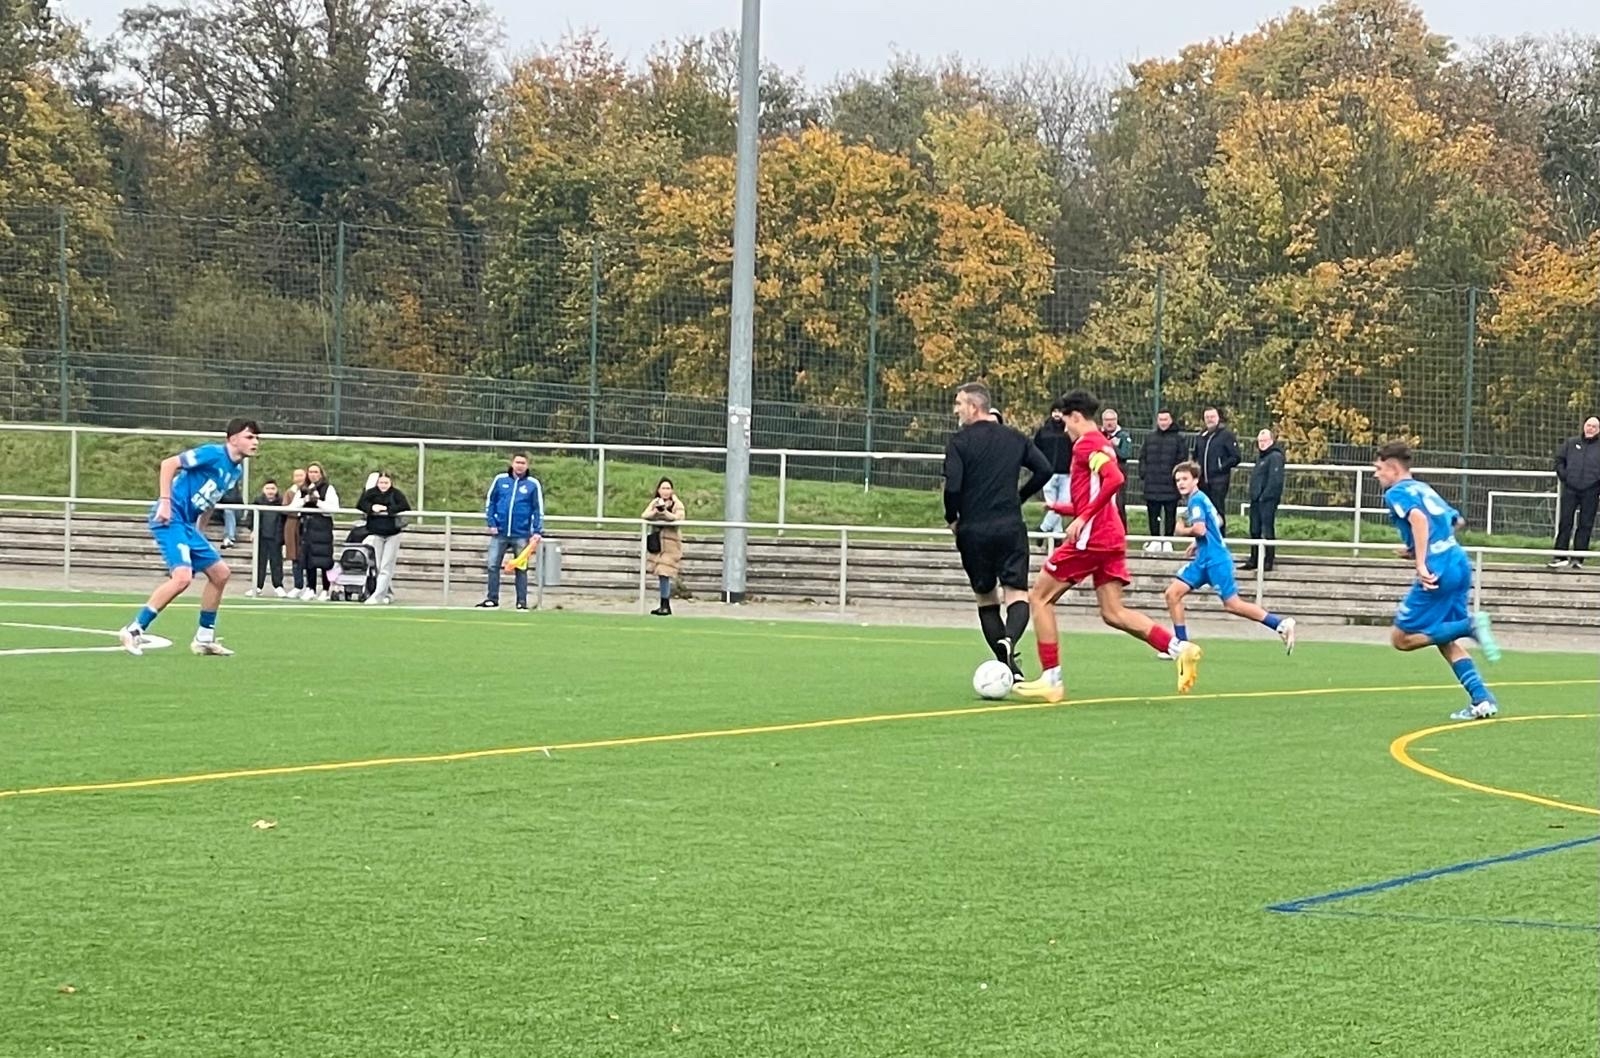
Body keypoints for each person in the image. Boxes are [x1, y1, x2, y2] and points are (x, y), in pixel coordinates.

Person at [1014, 391, 1200, 704]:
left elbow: (1114, 479)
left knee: (1039, 598)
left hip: (1093, 538)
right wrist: (1062, 509)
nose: (1065, 430)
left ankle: (1051, 679)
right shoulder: (1103, 443)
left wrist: (1083, 517)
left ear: (1075, 416)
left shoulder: (1086, 444)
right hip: (1110, 535)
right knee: (1113, 613)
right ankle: (1179, 648)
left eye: (1065, 422)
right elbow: (1099, 490)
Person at [1374, 441, 1501, 721]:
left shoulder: (1397, 492)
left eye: (1379, 468)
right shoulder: (1423, 488)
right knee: (1445, 636)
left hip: (1437, 570)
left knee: (1401, 639)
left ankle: (1470, 625)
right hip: (1458, 561)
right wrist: (1417, 549)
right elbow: (1456, 521)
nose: (1376, 473)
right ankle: (1482, 700)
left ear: (1393, 468)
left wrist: (1421, 561)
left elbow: (1419, 520)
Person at [118, 418, 261, 656]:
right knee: (182, 578)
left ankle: (204, 639)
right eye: (249, 437)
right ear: (233, 439)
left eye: (257, 438)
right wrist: (165, 502)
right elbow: (168, 464)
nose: (255, 442)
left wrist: (199, 530)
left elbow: (209, 501)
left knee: (220, 574)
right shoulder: (212, 453)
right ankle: (133, 630)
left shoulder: (236, 470)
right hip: (170, 517)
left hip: (187, 525)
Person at [945, 382, 1055, 682]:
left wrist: (952, 518)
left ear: (974, 407)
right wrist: (1019, 496)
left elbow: (952, 487)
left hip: (973, 529)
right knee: (1017, 592)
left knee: (986, 597)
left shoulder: (959, 442)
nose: (956, 410)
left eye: (959, 403)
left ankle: (1007, 664)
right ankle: (1010, 642)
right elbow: (1044, 470)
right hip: (1009, 526)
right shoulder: (1014, 437)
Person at [1165, 461, 1296, 653]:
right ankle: (1181, 645)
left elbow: (1200, 529)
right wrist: (1199, 542)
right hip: (1204, 559)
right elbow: (1217, 520)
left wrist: (1182, 531)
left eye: (1185, 479)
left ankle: (1280, 624)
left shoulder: (1196, 501)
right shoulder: (1202, 498)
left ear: (1196, 480)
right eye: (1178, 480)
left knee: (1233, 604)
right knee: (1172, 594)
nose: (1181, 483)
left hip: (1216, 560)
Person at [479, 452, 545, 611]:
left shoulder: (532, 484)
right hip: (500, 532)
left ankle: (521, 602)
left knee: (521, 568)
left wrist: (537, 530)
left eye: (523, 463)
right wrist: (491, 522)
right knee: (492, 565)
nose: (520, 466)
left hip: (521, 533)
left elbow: (537, 508)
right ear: (512, 463)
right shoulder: (500, 480)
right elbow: (491, 502)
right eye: (517, 462)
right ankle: (492, 599)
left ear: (527, 465)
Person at [356, 471, 412, 604]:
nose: (383, 485)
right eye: (381, 482)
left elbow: (404, 506)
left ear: (391, 483)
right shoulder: (371, 493)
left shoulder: (396, 494)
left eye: (386, 482)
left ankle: (378, 596)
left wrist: (387, 509)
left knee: (386, 565)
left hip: (393, 534)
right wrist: (372, 507)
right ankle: (387, 594)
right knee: (379, 566)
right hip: (376, 532)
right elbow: (361, 504)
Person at [1552, 415, 1600, 569]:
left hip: (1591, 491)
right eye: (1588, 425)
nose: (1590, 428)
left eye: (1594, 426)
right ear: (1584, 426)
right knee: (1565, 522)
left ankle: (1578, 559)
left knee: (1585, 525)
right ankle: (1560, 556)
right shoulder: (1571, 443)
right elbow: (1559, 460)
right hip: (1570, 489)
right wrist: (1565, 476)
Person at [289, 463, 339, 600]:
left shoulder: (328, 488)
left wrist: (317, 502)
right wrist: (305, 499)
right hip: (307, 527)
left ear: (321, 474)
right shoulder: (303, 489)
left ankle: (326, 589)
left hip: (322, 527)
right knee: (308, 559)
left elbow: (334, 509)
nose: (313, 474)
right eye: (310, 472)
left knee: (325, 560)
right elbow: (292, 507)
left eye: (316, 472)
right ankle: (310, 588)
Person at [1138, 409, 1185, 550]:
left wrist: (1176, 477)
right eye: (1160, 419)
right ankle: (1155, 540)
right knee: (1153, 514)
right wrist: (1143, 473)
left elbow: (1182, 459)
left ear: (1171, 420)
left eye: (1165, 419)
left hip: (1170, 484)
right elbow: (1142, 457)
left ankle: (1168, 541)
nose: (1163, 422)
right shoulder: (1150, 438)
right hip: (1151, 483)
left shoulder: (1179, 439)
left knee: (1170, 514)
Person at [1191, 407, 1241, 533]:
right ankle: (1205, 537)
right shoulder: (1201, 436)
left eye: (1212, 416)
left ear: (1218, 418)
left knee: (1217, 511)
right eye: (1207, 417)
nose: (1210, 419)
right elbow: (1195, 456)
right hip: (1202, 482)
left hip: (1219, 481)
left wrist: (1221, 467)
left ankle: (1219, 537)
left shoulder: (1226, 435)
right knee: (1204, 511)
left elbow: (1235, 457)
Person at [643, 477, 687, 615]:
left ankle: (665, 604)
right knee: (661, 574)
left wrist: (665, 513)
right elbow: (644, 515)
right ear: (658, 490)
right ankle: (664, 604)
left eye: (668, 488)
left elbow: (679, 517)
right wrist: (656, 512)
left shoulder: (677, 503)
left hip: (671, 545)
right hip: (658, 544)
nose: (666, 491)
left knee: (664, 573)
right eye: (663, 488)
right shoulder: (655, 502)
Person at [1244, 429, 1286, 572]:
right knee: (1254, 529)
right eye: (1260, 441)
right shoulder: (1261, 458)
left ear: (1271, 441)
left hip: (1267, 500)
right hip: (1256, 499)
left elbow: (1275, 480)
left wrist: (1265, 496)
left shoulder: (1275, 457)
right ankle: (1254, 558)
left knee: (1267, 529)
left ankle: (1268, 560)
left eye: (1265, 441)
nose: (1262, 444)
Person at [1033, 398, 1071, 536]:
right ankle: (1057, 534)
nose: (1057, 414)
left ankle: (1043, 529)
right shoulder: (1043, 431)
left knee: (1063, 503)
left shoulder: (1069, 431)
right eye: (1055, 411)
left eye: (1060, 411)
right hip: (1048, 472)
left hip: (1066, 473)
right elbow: (1036, 449)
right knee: (1052, 505)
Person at [244, 479, 287, 598]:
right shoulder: (258, 502)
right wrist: (253, 530)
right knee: (260, 562)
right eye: (268, 488)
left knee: (276, 563)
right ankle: (257, 586)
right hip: (261, 537)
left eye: (273, 488)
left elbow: (284, 521)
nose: (270, 491)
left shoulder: (282, 503)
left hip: (276, 537)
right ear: (264, 490)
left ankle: (278, 586)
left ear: (276, 490)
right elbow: (250, 518)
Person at [1101, 407, 1133, 526]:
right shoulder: (1099, 434)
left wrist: (1112, 446)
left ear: (1116, 420)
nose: (1109, 423)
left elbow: (1125, 454)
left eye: (1112, 420)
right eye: (1106, 420)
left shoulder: (1123, 436)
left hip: (1119, 472)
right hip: (1102, 473)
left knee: (1119, 503)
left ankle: (1122, 530)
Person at [283, 468, 307, 594]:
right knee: (295, 556)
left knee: (307, 554)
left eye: (301, 475)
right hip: (292, 524)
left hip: (307, 524)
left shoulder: (310, 491)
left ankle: (310, 587)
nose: (299, 478)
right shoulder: (289, 492)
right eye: (296, 476)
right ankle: (298, 585)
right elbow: (285, 508)